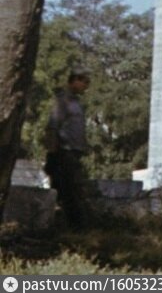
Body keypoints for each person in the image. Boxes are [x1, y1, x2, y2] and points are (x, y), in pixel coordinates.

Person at [43, 71, 91, 229]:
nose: (86, 85)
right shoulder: (63, 101)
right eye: (84, 81)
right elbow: (52, 128)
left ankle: (71, 226)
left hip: (74, 153)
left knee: (74, 190)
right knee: (69, 191)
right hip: (64, 152)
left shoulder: (77, 103)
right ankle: (72, 227)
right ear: (74, 80)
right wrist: (52, 153)